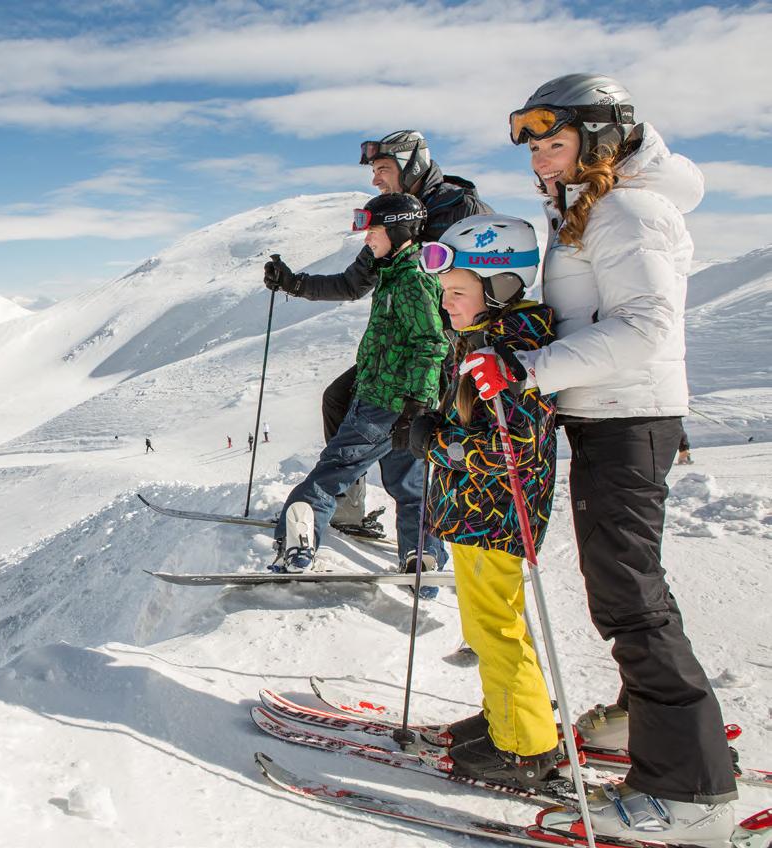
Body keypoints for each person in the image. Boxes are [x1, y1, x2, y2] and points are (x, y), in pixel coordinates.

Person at [463, 73, 737, 843]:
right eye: (533, 148)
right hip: (607, 414)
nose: (539, 160)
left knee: (629, 600)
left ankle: (689, 791)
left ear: (601, 141)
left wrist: (528, 368)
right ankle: (641, 729)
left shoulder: (626, 209)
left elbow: (644, 326)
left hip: (627, 417)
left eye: (553, 144)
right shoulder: (590, 206)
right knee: (622, 589)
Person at [266, 130, 489, 561]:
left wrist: (448, 367)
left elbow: (486, 278)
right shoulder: (389, 222)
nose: (375, 179)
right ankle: (396, 533)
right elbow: (354, 282)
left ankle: (327, 508)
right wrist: (294, 283)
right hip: (400, 355)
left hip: (442, 353)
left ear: (412, 165)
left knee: (399, 438)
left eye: (383, 169)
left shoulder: (459, 209)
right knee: (344, 402)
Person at [408, 214, 558, 790]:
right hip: (477, 511)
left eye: (457, 291)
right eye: (444, 291)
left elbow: (511, 449)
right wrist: (435, 422)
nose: (445, 302)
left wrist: (436, 444)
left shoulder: (510, 350)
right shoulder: (483, 338)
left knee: (495, 627)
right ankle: (507, 717)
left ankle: (524, 747)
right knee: (487, 624)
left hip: (493, 513)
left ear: (500, 287)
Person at [270, 193, 446, 574]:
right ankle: (422, 556)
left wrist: (415, 406)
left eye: (374, 231)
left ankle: (297, 545)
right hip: (403, 406)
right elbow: (349, 284)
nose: (367, 239)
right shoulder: (396, 271)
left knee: (330, 473)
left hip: (381, 404)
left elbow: (432, 344)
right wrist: (415, 409)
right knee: (410, 487)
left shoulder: (411, 280)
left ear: (398, 231)